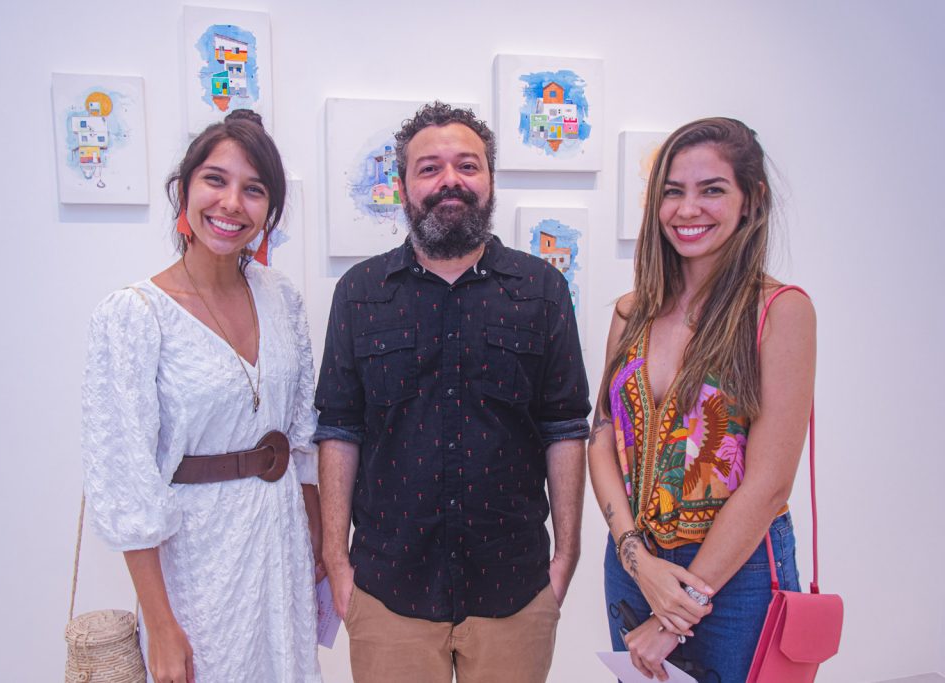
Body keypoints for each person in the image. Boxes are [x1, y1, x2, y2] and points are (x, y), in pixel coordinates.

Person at [314, 101, 591, 683]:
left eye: (467, 166)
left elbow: (564, 425)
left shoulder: (540, 289)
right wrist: (337, 563)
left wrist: (566, 557)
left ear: (490, 181)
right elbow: (340, 429)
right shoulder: (360, 293)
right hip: (389, 591)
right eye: (430, 167)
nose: (450, 182)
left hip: (514, 589)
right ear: (404, 185)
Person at [81, 109, 323, 683]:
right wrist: (162, 628)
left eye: (254, 189)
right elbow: (126, 480)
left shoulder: (282, 298)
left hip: (281, 541)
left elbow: (303, 432)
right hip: (198, 559)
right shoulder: (135, 315)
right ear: (184, 188)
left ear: (270, 209)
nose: (232, 203)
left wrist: (316, 541)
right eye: (216, 179)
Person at [588, 117, 816, 682]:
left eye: (712, 189)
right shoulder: (631, 311)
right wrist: (637, 560)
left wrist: (678, 612)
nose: (688, 209)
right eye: (673, 192)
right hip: (634, 561)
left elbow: (769, 486)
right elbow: (601, 436)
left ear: (751, 200)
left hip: (734, 574)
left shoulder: (780, 311)